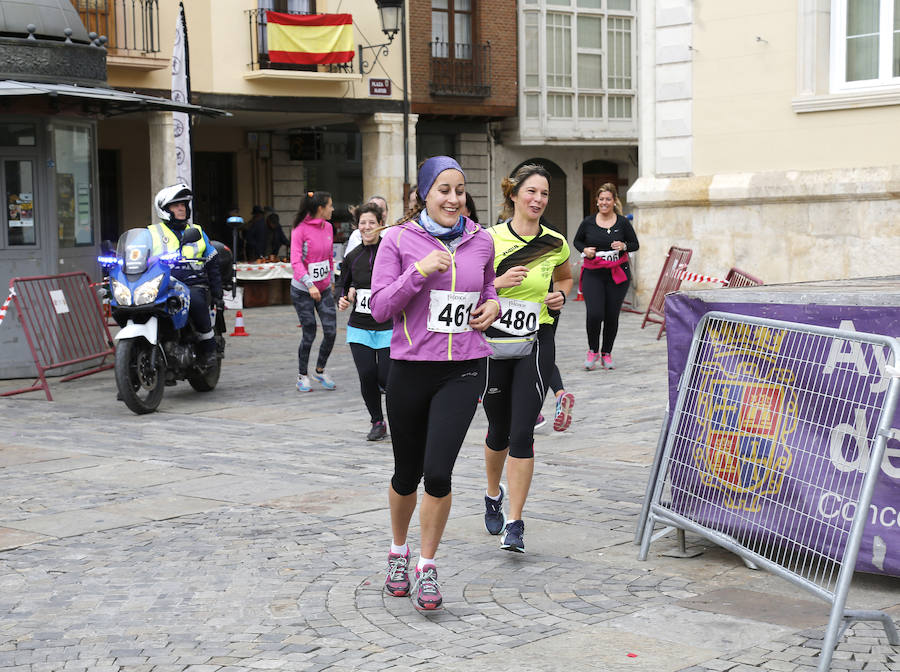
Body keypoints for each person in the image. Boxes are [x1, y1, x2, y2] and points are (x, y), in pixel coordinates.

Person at [370, 156, 500, 611]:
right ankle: (398, 552)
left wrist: (493, 306)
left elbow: (487, 289)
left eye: (459, 190)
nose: (453, 198)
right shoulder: (398, 240)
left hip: (463, 367)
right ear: (425, 193)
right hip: (409, 369)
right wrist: (419, 272)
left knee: (438, 472)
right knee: (407, 474)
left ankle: (427, 565)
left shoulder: (481, 240)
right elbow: (381, 308)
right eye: (444, 189)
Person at [481, 164, 573, 554]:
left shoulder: (555, 242)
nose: (538, 200)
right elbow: (467, 284)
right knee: (499, 430)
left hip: (536, 340)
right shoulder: (487, 239)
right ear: (514, 195)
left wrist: (561, 295)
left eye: (545, 194)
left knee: (522, 433)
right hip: (493, 343)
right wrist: (496, 285)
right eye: (532, 192)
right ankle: (491, 493)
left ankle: (515, 522)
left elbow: (566, 277)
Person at [148, 183, 223, 368]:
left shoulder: (196, 231)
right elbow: (139, 254)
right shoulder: (152, 232)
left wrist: (217, 293)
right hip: (161, 285)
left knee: (195, 301)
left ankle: (208, 348)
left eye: (183, 205)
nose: (181, 208)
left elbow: (212, 262)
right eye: (176, 205)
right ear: (165, 209)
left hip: (193, 284)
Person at [338, 202, 392, 441]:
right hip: (359, 325)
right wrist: (343, 296)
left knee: (387, 376)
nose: (367, 227)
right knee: (367, 374)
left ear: (381, 224)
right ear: (356, 227)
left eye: (372, 222)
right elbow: (343, 284)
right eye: (363, 223)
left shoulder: (390, 253)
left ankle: (401, 417)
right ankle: (377, 421)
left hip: (388, 325)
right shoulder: (352, 256)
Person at [573, 182, 639, 370]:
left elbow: (634, 244)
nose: (604, 202)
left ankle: (606, 353)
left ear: (614, 201)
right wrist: (585, 249)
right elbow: (577, 241)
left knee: (611, 315)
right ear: (597, 201)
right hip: (593, 273)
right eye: (601, 199)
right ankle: (593, 350)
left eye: (608, 199)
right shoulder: (588, 222)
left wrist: (624, 246)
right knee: (595, 314)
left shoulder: (622, 223)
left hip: (618, 274)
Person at [290, 190, 338, 392]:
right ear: (321, 208)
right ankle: (302, 375)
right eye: (330, 205)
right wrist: (309, 285)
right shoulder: (299, 230)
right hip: (302, 290)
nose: (333, 209)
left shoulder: (328, 227)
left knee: (331, 331)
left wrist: (332, 280)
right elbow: (295, 261)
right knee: (309, 333)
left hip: (324, 289)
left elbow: (329, 256)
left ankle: (320, 369)